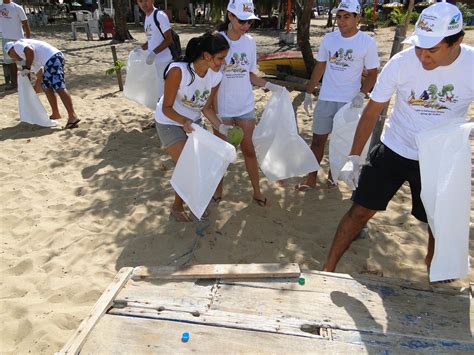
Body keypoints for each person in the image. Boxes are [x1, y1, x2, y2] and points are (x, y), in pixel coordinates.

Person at [322, 2, 473, 281]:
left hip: (438, 159)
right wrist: (354, 157)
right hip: (394, 148)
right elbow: (372, 111)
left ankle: (435, 272)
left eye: (432, 50)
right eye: (419, 47)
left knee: (435, 223)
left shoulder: (471, 65)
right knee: (359, 212)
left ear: (457, 42)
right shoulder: (402, 63)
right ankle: (328, 268)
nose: (423, 56)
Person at [296, 0, 379, 191]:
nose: (341, 22)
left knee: (340, 142)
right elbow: (321, 65)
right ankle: (311, 178)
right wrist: (309, 92)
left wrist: (361, 94)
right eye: (339, 17)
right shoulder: (329, 39)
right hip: (326, 97)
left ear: (357, 18)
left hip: (349, 102)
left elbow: (373, 73)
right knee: (317, 140)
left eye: (347, 17)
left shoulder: (366, 42)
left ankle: (333, 178)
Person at [155, 32, 231, 222]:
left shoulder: (215, 76)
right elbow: (166, 108)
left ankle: (190, 203)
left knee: (195, 165)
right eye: (220, 58)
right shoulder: (178, 71)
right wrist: (184, 122)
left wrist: (221, 127)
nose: (223, 63)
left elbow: (206, 108)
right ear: (206, 56)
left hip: (193, 122)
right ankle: (177, 206)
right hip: (169, 120)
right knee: (186, 164)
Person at [214, 0, 283, 207]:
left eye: (249, 22)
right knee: (221, 154)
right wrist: (214, 113)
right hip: (222, 109)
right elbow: (209, 77)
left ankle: (257, 191)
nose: (246, 26)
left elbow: (249, 74)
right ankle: (217, 192)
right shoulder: (216, 41)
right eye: (242, 20)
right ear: (230, 17)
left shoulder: (250, 42)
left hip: (244, 106)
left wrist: (270, 85)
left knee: (249, 150)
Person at [4, 39, 81, 128]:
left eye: (11, 56)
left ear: (11, 51)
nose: (14, 59)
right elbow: (40, 77)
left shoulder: (17, 45)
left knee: (59, 86)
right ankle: (55, 114)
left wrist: (27, 67)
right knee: (46, 86)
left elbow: (29, 50)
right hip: (51, 60)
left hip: (52, 58)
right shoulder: (29, 58)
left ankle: (73, 116)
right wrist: (31, 94)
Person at [137, 0, 173, 101]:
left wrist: (154, 53)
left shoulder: (160, 15)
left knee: (162, 93)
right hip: (153, 62)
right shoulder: (147, 17)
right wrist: (140, 48)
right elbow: (152, 40)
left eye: (146, 0)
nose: (143, 4)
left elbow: (169, 39)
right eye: (140, 1)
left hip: (164, 61)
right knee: (156, 91)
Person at [0, 0, 31, 91]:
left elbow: (26, 24)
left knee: (23, 62)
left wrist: (28, 40)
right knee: (10, 62)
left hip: (18, 39)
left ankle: (27, 84)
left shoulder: (17, 8)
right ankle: (14, 84)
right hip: (5, 38)